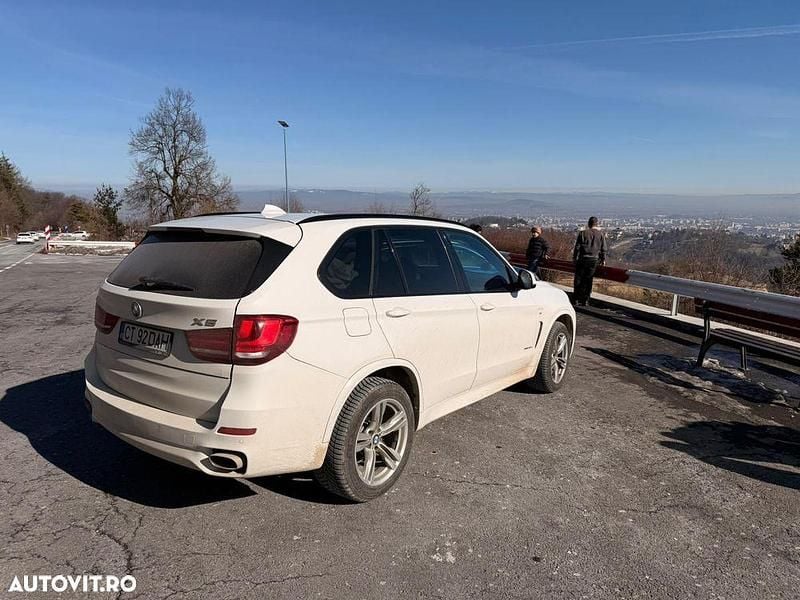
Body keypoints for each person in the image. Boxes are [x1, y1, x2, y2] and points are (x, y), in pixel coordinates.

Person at [572, 216, 606, 306]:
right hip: (594, 259)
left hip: (582, 258)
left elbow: (577, 247)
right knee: (588, 279)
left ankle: (575, 298)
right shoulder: (600, 234)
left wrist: (574, 258)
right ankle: (585, 300)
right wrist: (603, 259)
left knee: (579, 279)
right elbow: (603, 249)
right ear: (597, 223)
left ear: (588, 223)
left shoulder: (583, 233)